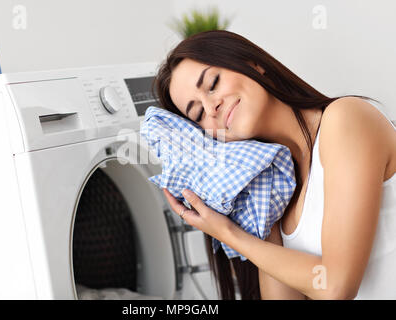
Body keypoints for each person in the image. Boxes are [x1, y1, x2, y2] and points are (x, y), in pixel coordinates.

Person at [154, 30, 396, 300]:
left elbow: (335, 286)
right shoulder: (272, 188)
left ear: (252, 63)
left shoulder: (346, 119)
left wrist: (228, 233)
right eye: (198, 113)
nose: (211, 108)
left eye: (213, 83)